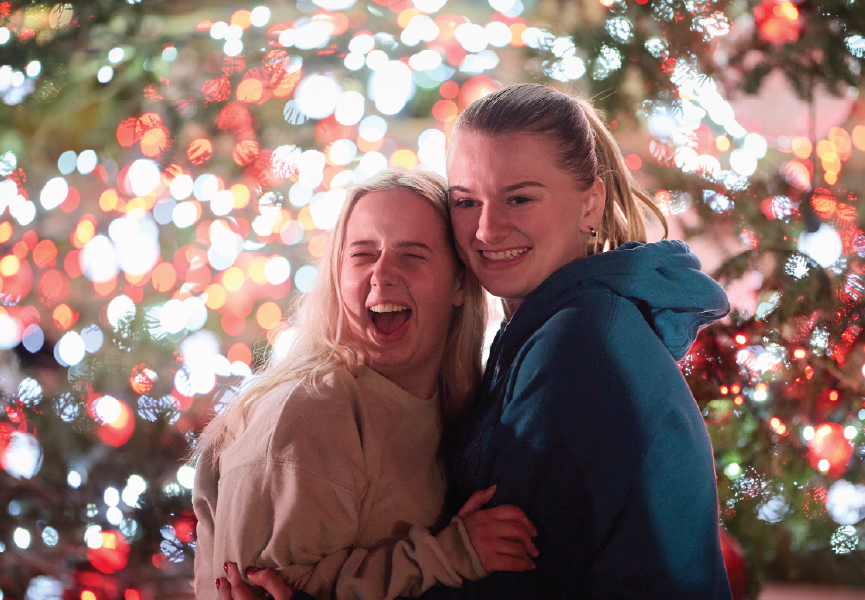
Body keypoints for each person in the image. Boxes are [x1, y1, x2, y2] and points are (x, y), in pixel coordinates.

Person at [252, 84, 733, 599]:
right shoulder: (549, 327)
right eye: (465, 202)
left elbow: (512, 582)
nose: (486, 229)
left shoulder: (578, 346)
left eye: (520, 198)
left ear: (589, 204)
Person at [192, 169, 539, 600]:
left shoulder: (458, 412)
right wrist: (449, 554)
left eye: (412, 255)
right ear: (338, 278)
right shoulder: (306, 413)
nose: (382, 274)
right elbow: (265, 587)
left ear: (458, 284)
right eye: (362, 254)